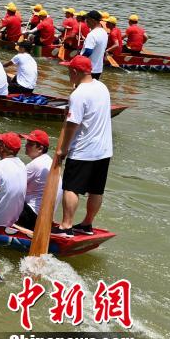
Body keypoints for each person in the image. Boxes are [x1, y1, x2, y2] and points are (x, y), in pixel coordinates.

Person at [53, 55, 113, 237]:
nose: (67, 74)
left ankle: (66, 226)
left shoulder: (78, 94)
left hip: (83, 150)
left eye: (68, 71)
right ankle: (87, 224)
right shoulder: (102, 87)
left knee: (71, 187)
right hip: (104, 149)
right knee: (96, 189)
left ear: (75, 71)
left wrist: (63, 149)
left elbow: (72, 125)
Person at [17, 129, 62, 231]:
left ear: (40, 148)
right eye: (27, 143)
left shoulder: (35, 164)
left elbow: (12, 186)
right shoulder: (51, 162)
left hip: (32, 218)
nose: (26, 146)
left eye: (30, 144)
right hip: (45, 218)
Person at [80, 10, 108, 79]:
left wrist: (79, 59)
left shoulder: (92, 34)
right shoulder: (104, 32)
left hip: (88, 69)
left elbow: (88, 51)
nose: (86, 22)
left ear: (93, 20)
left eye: (87, 20)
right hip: (98, 69)